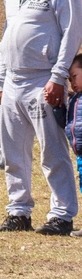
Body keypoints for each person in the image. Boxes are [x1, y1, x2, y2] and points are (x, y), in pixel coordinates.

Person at [0, 0, 82, 236]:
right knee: (13, 151)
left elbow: (72, 35)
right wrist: (0, 82)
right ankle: (18, 211)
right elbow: (7, 37)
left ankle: (62, 214)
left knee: (52, 152)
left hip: (43, 81)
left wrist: (58, 77)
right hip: (14, 82)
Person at [64, 54, 82, 198]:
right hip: (80, 156)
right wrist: (58, 110)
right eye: (70, 80)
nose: (72, 83)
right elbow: (67, 124)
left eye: (74, 76)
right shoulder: (74, 100)